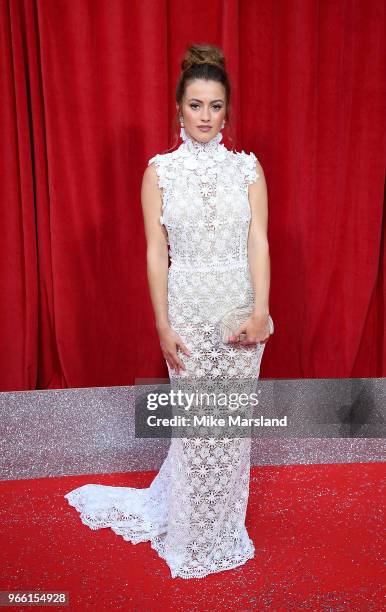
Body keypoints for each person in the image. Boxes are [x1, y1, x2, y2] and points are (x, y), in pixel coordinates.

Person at [64, 43, 271, 580]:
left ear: (228, 110)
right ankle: (188, 530)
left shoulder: (248, 170)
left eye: (216, 106)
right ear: (178, 107)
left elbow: (259, 243)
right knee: (195, 428)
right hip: (186, 312)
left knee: (229, 428)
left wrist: (262, 312)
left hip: (240, 313)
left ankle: (222, 526)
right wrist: (162, 324)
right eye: (196, 105)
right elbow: (157, 253)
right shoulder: (159, 173)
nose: (206, 116)